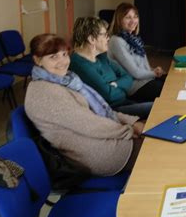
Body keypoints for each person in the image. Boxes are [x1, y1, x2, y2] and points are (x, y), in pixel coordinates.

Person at [24, 33, 144, 176]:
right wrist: (128, 131)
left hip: (103, 139)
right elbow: (90, 124)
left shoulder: (66, 80)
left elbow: (101, 110)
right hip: (99, 154)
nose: (63, 61)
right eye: (53, 57)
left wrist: (133, 122)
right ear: (37, 60)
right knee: (161, 147)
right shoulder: (44, 93)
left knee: (154, 132)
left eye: (64, 54)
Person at [70, 16, 155, 120]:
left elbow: (128, 77)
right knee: (158, 108)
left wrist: (115, 84)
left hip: (125, 101)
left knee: (160, 102)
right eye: (105, 35)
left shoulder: (101, 57)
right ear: (92, 39)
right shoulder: (79, 64)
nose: (108, 38)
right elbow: (109, 96)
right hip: (111, 110)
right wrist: (121, 88)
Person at [108, 2, 166, 100]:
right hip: (134, 87)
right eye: (128, 17)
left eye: (135, 17)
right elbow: (135, 73)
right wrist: (154, 73)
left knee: (174, 83)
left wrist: (154, 69)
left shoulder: (134, 39)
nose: (133, 21)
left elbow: (144, 67)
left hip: (146, 80)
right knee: (169, 91)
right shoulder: (116, 40)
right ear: (119, 20)